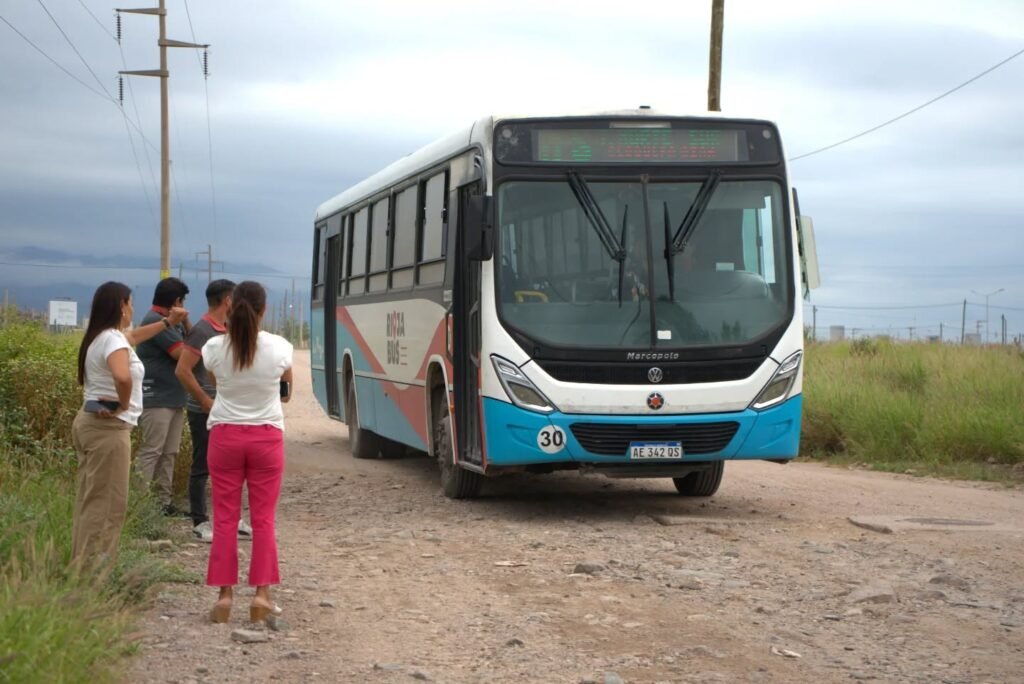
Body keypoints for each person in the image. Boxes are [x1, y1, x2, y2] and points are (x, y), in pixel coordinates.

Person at [72, 281, 187, 566]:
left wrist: (166, 323)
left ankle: (82, 563)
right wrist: (123, 404)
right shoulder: (112, 339)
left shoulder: (104, 336)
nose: (133, 308)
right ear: (122, 306)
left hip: (91, 425)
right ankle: (94, 570)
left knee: (92, 499)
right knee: (108, 503)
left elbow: (134, 336)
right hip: (108, 430)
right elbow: (122, 377)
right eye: (131, 302)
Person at [202, 281, 293, 623]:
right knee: (263, 519)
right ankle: (261, 595)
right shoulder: (280, 347)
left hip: (224, 436)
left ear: (230, 307)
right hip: (265, 438)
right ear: (264, 310)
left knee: (225, 518)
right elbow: (286, 391)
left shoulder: (214, 347)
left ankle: (224, 598)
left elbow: (214, 380)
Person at [174, 279, 253, 543]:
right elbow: (183, 371)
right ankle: (200, 521)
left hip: (228, 411)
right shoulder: (202, 331)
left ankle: (233, 519)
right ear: (228, 301)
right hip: (204, 411)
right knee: (202, 465)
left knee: (233, 467)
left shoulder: (229, 330)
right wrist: (205, 401)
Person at [135, 277, 191, 515]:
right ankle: (139, 505)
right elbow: (183, 354)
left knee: (169, 452)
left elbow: (192, 343)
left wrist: (185, 321)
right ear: (177, 301)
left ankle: (163, 503)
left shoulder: (171, 323)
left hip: (173, 397)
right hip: (156, 397)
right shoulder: (157, 322)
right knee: (152, 451)